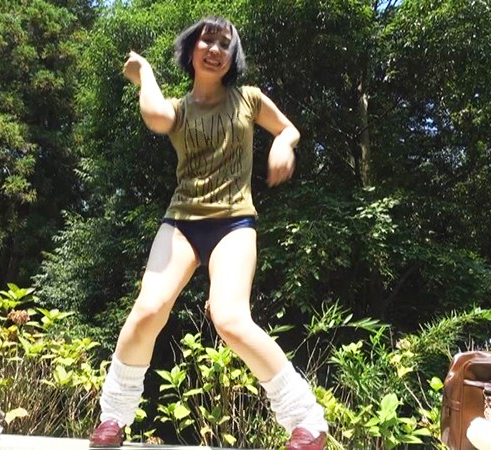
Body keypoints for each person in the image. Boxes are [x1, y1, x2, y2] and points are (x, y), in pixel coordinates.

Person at [89, 16, 329, 450]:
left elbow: (288, 128)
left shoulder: (249, 99)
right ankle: (113, 417)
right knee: (148, 310)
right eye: (207, 41)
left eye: (225, 44)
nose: (216, 49)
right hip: (182, 220)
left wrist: (282, 144)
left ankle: (307, 421)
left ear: (233, 58)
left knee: (230, 319)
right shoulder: (179, 110)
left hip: (234, 222)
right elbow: (156, 116)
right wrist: (144, 71)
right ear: (191, 49)